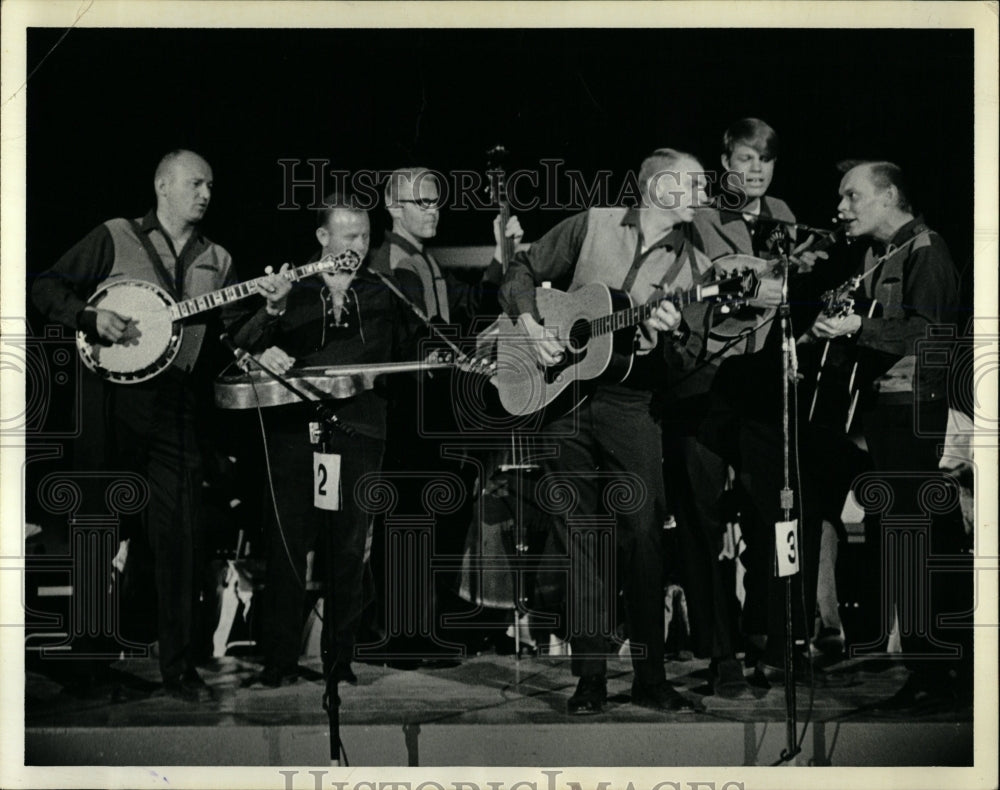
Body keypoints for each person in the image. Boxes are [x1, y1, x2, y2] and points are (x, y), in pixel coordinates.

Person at [498, 148, 712, 714]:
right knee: (579, 536)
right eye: (693, 183)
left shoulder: (694, 267)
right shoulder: (592, 223)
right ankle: (590, 677)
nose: (705, 193)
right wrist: (531, 323)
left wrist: (670, 337)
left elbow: (689, 361)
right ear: (658, 188)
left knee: (643, 534)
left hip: (631, 402)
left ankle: (651, 675)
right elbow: (520, 269)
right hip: (562, 394)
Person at [31, 149, 232, 702]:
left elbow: (237, 336)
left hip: (177, 405)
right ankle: (87, 668)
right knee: (97, 532)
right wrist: (90, 317)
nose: (206, 194)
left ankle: (178, 669)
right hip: (112, 402)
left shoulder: (219, 257)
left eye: (211, 185)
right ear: (162, 185)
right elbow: (45, 287)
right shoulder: (115, 235)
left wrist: (276, 310)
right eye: (195, 183)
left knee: (179, 540)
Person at [227, 192, 424, 688]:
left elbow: (413, 351)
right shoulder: (290, 286)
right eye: (349, 236)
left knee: (349, 547)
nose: (359, 246)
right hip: (295, 430)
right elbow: (241, 344)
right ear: (322, 238)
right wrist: (270, 314)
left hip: (360, 430)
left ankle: (340, 660)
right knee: (289, 544)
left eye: (365, 236)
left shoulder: (384, 289)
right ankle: (279, 661)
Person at [808, 160, 970, 711]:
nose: (842, 208)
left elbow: (931, 333)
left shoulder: (927, 249)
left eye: (853, 196)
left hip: (912, 412)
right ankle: (926, 673)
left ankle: (936, 676)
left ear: (889, 195)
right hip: (883, 414)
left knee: (916, 543)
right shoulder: (879, 256)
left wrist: (859, 327)